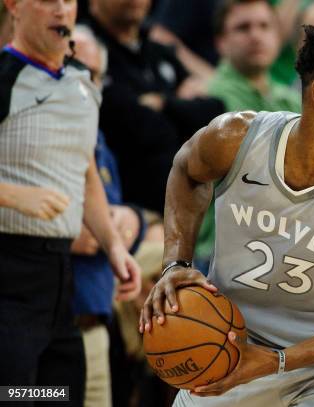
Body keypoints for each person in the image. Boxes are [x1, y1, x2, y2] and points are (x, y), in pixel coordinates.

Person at [141, 22, 314, 406]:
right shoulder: (235, 140)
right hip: (231, 349)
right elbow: (186, 172)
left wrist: (279, 361)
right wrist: (176, 262)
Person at [0, 0, 141, 404]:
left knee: (59, 393)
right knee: (16, 395)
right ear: (13, 5)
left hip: (60, 280)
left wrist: (114, 245)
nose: (61, 10)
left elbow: (84, 169)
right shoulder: (5, 77)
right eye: (47, 0)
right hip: (8, 270)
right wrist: (12, 194)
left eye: (68, 0)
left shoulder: (82, 80)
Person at [68, 25, 147, 407]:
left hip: (94, 322)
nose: (84, 84)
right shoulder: (26, 130)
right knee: (22, 395)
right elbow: (79, 232)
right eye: (72, 68)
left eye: (94, 75)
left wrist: (132, 221)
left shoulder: (98, 141)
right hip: (42, 327)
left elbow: (112, 213)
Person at [87, 0, 226, 213]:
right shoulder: (85, 51)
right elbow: (138, 128)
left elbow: (215, 111)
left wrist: (164, 103)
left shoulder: (159, 52)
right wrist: (182, 107)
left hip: (186, 203)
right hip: (127, 207)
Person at [208, 0, 301, 113]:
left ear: (278, 36)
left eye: (264, 26)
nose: (256, 36)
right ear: (221, 42)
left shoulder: (291, 98)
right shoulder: (214, 99)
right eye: (243, 27)